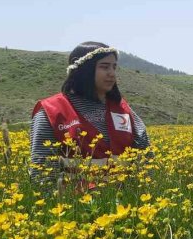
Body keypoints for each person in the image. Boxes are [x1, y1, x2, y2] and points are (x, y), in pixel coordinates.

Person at [30, 42, 150, 186]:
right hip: (75, 204)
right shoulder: (51, 111)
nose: (112, 73)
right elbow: (42, 172)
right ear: (84, 70)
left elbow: (145, 155)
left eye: (114, 67)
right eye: (104, 67)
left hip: (122, 204)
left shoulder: (123, 109)